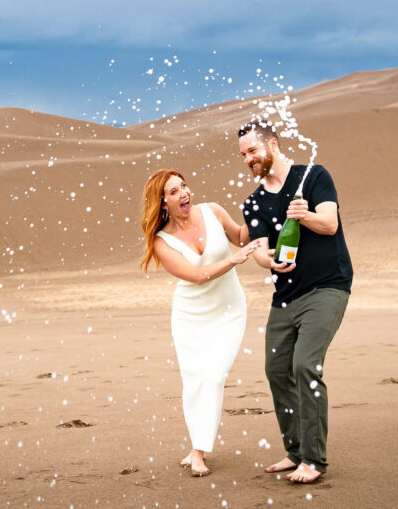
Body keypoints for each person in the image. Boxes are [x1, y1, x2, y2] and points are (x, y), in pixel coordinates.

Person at [237, 120, 353, 484]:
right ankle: (295, 450)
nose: (249, 159)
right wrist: (269, 260)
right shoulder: (253, 201)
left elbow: (330, 225)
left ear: (273, 144)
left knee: (305, 365)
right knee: (276, 371)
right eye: (243, 155)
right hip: (285, 296)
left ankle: (314, 461)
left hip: (328, 287)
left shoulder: (314, 177)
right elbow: (258, 248)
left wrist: (304, 216)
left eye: (253, 150)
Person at [140, 169, 259, 477]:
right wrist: (233, 260)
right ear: (163, 202)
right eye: (175, 191)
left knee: (215, 374)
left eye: (184, 186)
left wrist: (261, 209)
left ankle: (197, 451)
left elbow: (240, 236)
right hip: (191, 317)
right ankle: (197, 448)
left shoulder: (213, 211)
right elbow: (195, 276)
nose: (185, 194)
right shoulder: (161, 241)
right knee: (195, 381)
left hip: (229, 310)